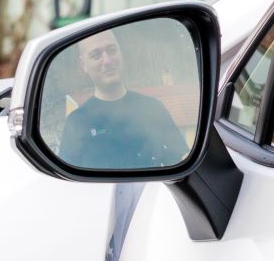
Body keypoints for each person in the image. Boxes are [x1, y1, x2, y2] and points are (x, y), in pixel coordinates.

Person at [57, 29, 188, 170]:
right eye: (96, 55)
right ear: (83, 65)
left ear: (121, 53)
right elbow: (67, 179)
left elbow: (181, 160)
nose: (107, 61)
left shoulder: (153, 108)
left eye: (112, 50)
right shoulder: (77, 123)